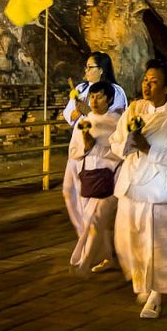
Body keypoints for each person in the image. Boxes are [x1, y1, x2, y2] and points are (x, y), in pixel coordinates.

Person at [110, 60, 167, 319]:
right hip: (133, 185)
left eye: (154, 81)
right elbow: (115, 143)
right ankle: (142, 281)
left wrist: (148, 147)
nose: (147, 85)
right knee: (129, 240)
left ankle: (157, 293)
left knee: (160, 244)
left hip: (162, 190)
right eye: (145, 80)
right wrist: (129, 142)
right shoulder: (134, 110)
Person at [62, 51, 128, 237]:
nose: (86, 70)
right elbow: (69, 116)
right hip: (78, 146)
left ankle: (94, 237)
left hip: (99, 150)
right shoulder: (82, 89)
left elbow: (114, 119)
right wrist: (78, 110)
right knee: (70, 191)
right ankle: (85, 231)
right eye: (86, 67)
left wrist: (89, 110)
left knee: (94, 197)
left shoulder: (115, 90)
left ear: (102, 70)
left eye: (90, 67)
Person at [68, 81, 122, 275]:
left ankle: (85, 260)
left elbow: (119, 149)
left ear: (108, 99)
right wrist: (86, 142)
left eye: (99, 97)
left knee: (96, 219)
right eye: (92, 97)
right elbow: (75, 151)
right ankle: (108, 256)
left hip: (109, 177)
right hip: (89, 177)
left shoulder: (116, 121)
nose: (95, 101)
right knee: (98, 221)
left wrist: (99, 149)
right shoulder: (85, 120)